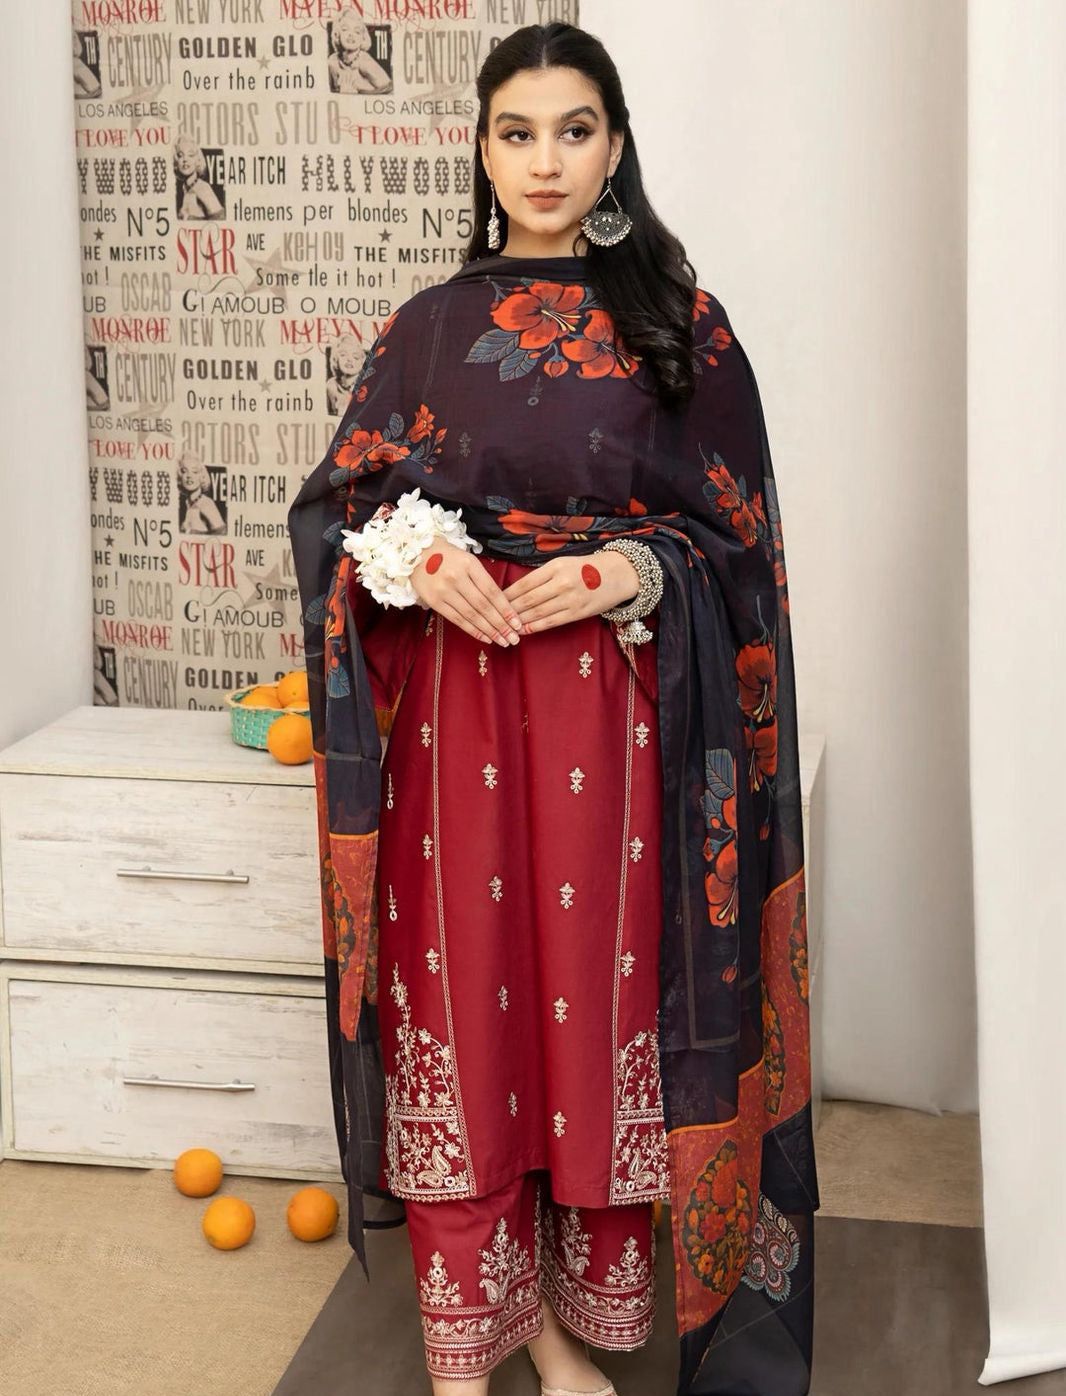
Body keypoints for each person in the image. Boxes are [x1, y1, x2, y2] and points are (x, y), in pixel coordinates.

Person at [287, 21, 820, 1396]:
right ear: (479, 147)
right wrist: (419, 563)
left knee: (585, 1019)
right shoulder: (425, 332)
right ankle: (470, 1352)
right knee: (468, 1015)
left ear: (616, 146)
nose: (543, 160)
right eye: (515, 132)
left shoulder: (678, 325)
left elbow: (738, 546)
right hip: (456, 721)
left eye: (572, 130)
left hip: (619, 723)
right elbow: (338, 512)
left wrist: (621, 567)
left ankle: (567, 1326)